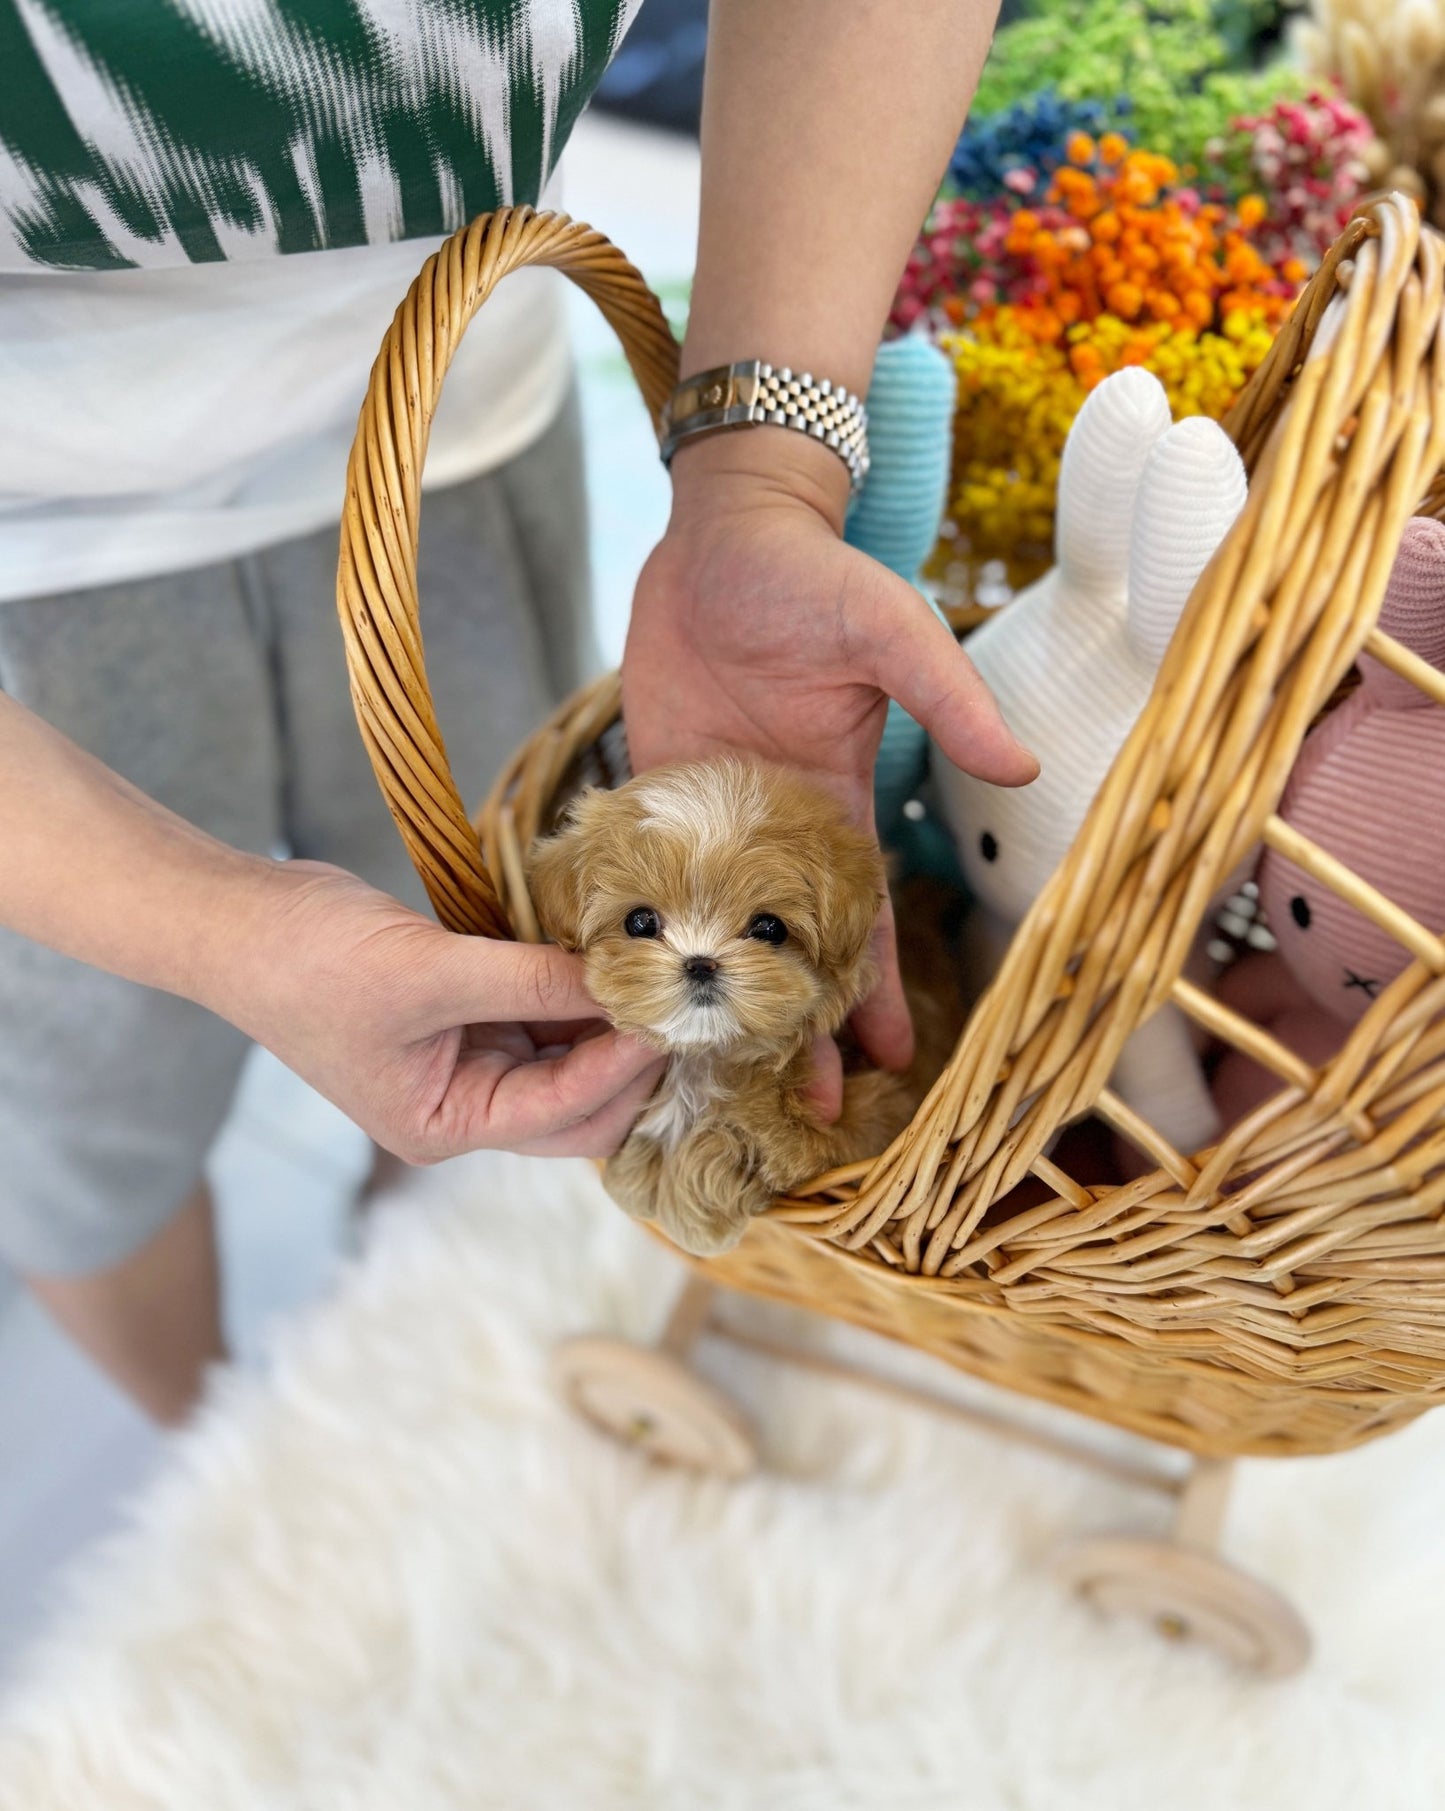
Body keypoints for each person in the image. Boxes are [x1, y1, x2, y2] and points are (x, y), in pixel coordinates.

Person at [0, 0, 1035, 1426]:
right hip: (31, 560)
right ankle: (202, 1426)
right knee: (86, 1118)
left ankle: (403, 1291)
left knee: (480, 994)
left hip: (459, 424)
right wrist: (209, 927)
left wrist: (759, 479)